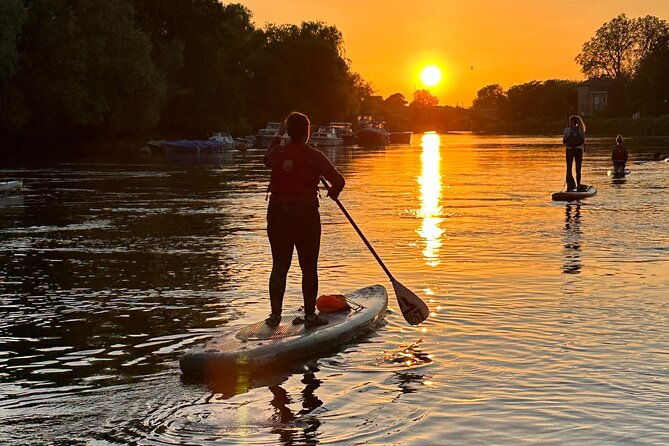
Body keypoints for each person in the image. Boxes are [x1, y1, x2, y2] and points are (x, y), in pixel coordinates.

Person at [263, 112, 345, 328]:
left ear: (289, 132)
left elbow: (266, 159)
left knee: (279, 265)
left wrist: (278, 135)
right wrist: (333, 193)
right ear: (307, 132)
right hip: (305, 215)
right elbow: (339, 181)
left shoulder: (278, 153)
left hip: (278, 213)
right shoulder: (315, 156)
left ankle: (274, 316)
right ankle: (310, 316)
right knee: (308, 266)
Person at [562, 116, 587, 192]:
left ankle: (570, 185)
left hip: (569, 150)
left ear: (572, 122)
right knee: (577, 169)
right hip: (578, 150)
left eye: (570, 121)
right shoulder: (581, 129)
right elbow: (583, 140)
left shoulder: (567, 130)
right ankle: (578, 185)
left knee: (569, 168)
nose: (569, 122)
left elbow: (564, 141)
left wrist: (571, 144)